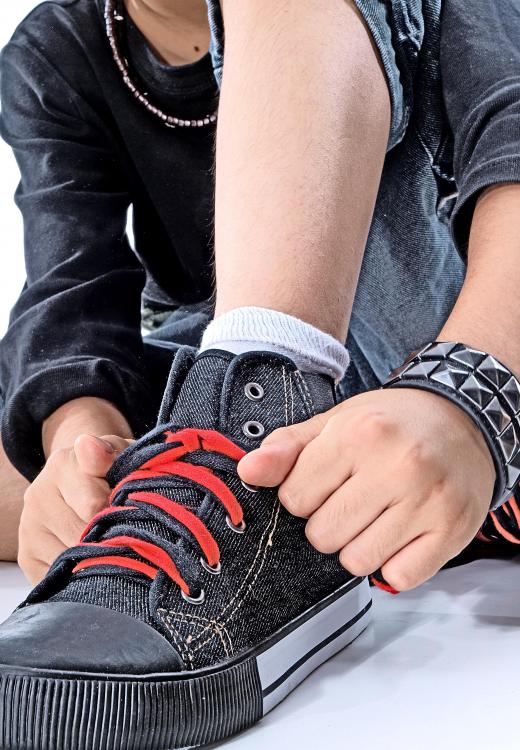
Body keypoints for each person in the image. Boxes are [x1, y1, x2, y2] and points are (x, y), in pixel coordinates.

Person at [0, 0, 518, 745]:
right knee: (31, 454)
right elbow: (71, 283)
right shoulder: (57, 47)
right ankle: (266, 505)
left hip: (466, 326)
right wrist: (77, 440)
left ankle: (307, 416)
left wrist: (476, 391)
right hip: (248, 385)